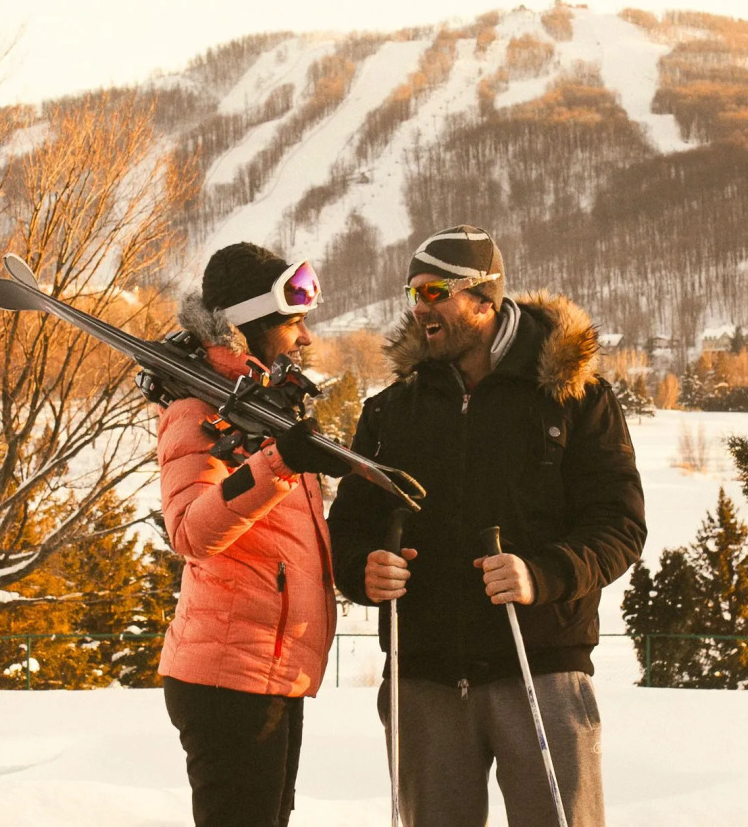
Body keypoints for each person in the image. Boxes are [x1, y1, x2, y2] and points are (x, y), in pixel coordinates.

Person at [328, 225, 646, 827]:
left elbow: (620, 524)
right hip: (422, 673)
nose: (420, 307)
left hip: (542, 664)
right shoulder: (392, 410)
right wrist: (361, 570)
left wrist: (543, 575)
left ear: (484, 299)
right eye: (413, 292)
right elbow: (348, 525)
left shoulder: (575, 398)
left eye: (435, 291)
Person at [159, 241, 349, 827]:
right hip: (227, 679)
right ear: (252, 325)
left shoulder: (265, 406)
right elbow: (190, 530)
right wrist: (280, 464)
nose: (307, 337)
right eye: (293, 322)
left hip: (268, 668)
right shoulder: (196, 410)